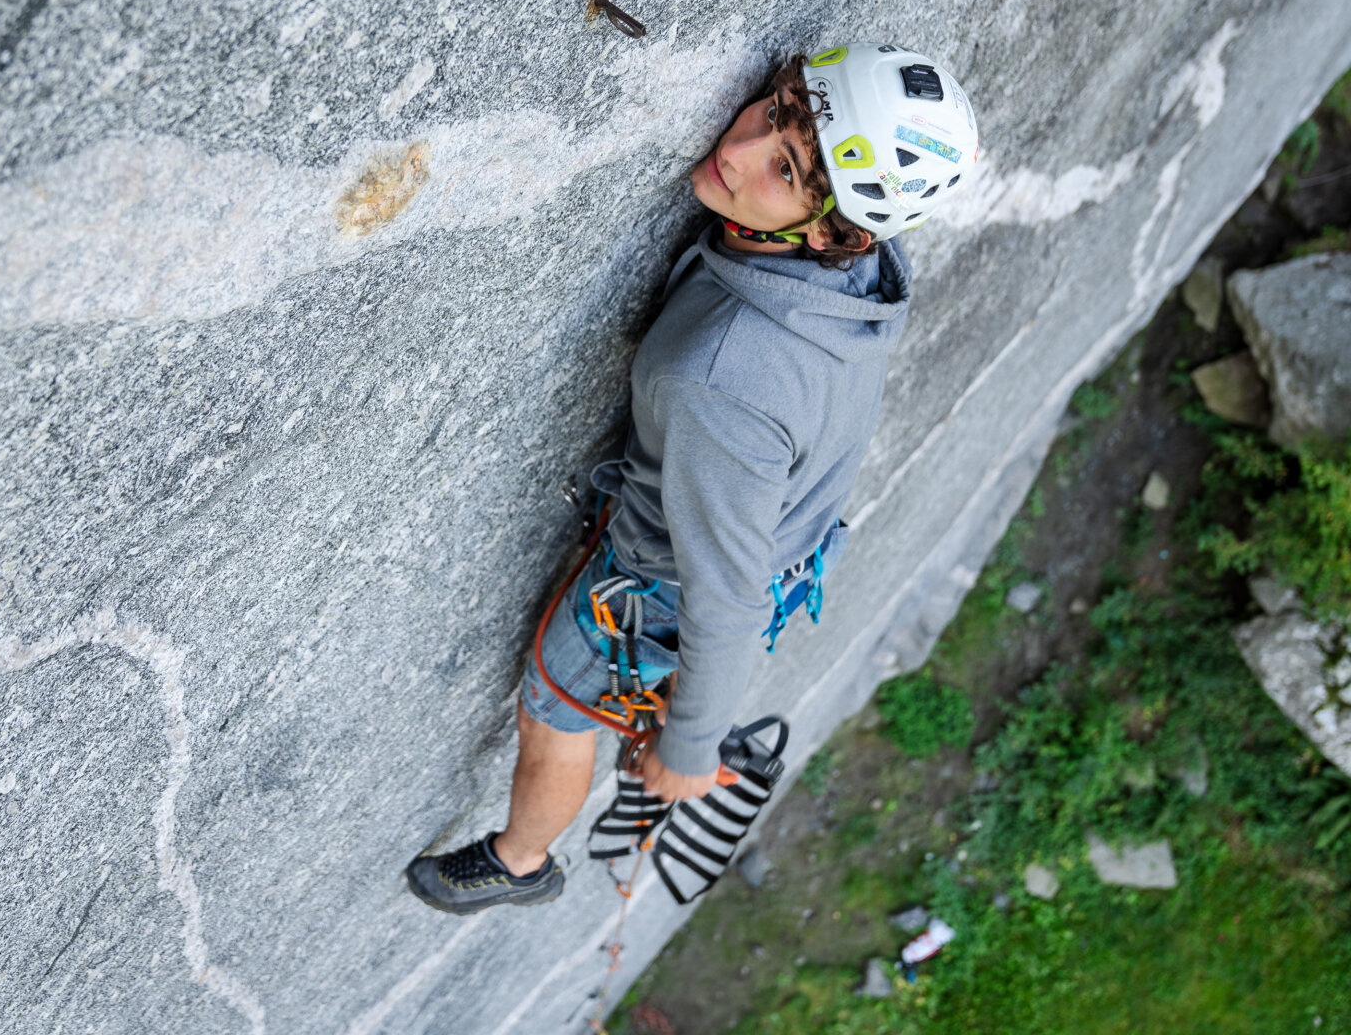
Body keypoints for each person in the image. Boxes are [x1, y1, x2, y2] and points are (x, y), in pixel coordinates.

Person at [405, 45, 981, 913]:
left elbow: (727, 594)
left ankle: (520, 862)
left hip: (663, 588)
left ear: (830, 233)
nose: (740, 149)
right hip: (761, 543)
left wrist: (690, 746)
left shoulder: (725, 376)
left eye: (783, 167)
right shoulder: (859, 276)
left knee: (555, 711)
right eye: (778, 112)